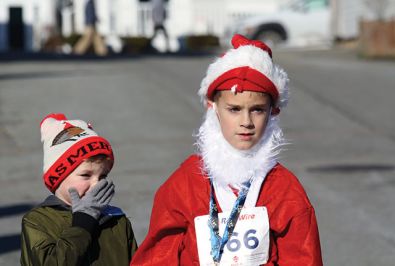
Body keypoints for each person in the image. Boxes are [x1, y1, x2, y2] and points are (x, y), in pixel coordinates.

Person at [130, 34, 323, 265]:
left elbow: (303, 258)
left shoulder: (284, 189)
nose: (246, 121)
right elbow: (158, 256)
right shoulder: (185, 184)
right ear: (213, 107)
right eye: (234, 109)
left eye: (258, 110)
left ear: (273, 111)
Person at [21, 113, 137, 265]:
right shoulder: (38, 221)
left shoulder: (117, 220)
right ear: (58, 178)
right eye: (85, 175)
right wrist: (83, 222)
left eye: (103, 176)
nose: (97, 184)